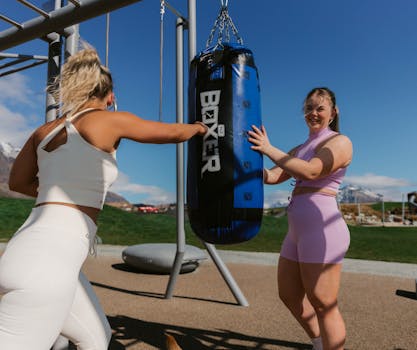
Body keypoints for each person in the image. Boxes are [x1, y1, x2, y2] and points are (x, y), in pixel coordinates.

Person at [0, 47, 207, 350]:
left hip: (25, 252)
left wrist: (59, 194)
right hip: (49, 268)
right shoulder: (108, 120)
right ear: (109, 96)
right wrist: (200, 128)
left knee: (98, 341)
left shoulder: (43, 131)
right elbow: (173, 133)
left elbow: (18, 182)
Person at [248, 87, 353, 350]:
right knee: (290, 294)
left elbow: (312, 171)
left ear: (333, 112)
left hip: (323, 228)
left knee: (323, 302)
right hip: (297, 231)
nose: (313, 113)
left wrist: (269, 148)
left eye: (320, 108)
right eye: (309, 108)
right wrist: (243, 161)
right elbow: (272, 177)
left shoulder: (340, 142)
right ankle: (320, 343)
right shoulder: (300, 147)